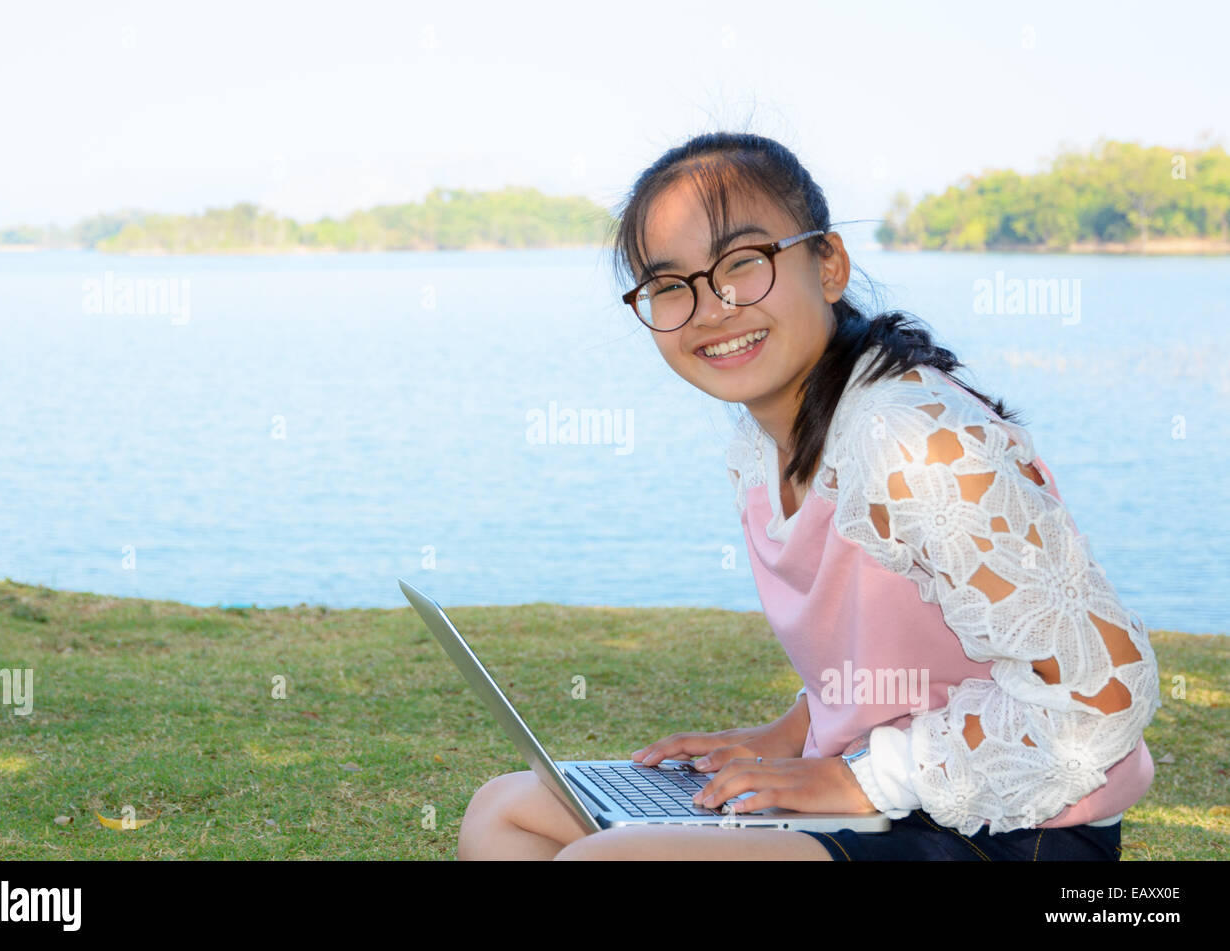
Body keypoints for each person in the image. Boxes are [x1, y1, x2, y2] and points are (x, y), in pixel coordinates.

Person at [457, 131, 1160, 861]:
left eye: (743, 264)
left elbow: (1104, 688)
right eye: (671, 284)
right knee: (505, 810)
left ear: (828, 265)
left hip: (1017, 827)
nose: (711, 306)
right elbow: (906, 655)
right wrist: (789, 736)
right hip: (881, 799)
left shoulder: (913, 441)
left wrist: (860, 778)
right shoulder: (764, 448)